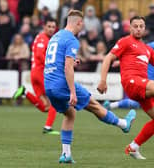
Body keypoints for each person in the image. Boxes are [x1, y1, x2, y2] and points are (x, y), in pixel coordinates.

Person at [44, 10, 136, 164]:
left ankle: (66, 154)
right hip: (62, 84)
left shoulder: (56, 37)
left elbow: (58, 61)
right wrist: (72, 91)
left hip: (49, 85)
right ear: (78, 23)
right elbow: (67, 68)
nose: (83, 28)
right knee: (93, 104)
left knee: (70, 114)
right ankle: (123, 124)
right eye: (83, 24)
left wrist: (73, 62)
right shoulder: (72, 40)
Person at [98, 16, 154, 160]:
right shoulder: (125, 41)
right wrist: (103, 80)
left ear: (145, 28)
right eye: (135, 26)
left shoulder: (147, 49)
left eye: (141, 26)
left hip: (142, 87)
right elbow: (108, 58)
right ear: (130, 28)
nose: (138, 28)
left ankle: (133, 147)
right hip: (132, 82)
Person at [13, 17, 59, 135]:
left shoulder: (41, 38)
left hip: (35, 73)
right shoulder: (43, 39)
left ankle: (24, 92)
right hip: (41, 73)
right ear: (44, 27)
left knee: (45, 107)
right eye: (49, 26)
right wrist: (51, 66)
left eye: (53, 27)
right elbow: (39, 55)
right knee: (55, 101)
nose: (51, 29)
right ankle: (48, 127)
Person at [103, 41, 154, 110]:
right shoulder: (151, 45)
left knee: (139, 103)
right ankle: (110, 106)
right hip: (147, 77)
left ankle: (111, 106)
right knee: (137, 103)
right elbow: (140, 51)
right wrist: (121, 61)